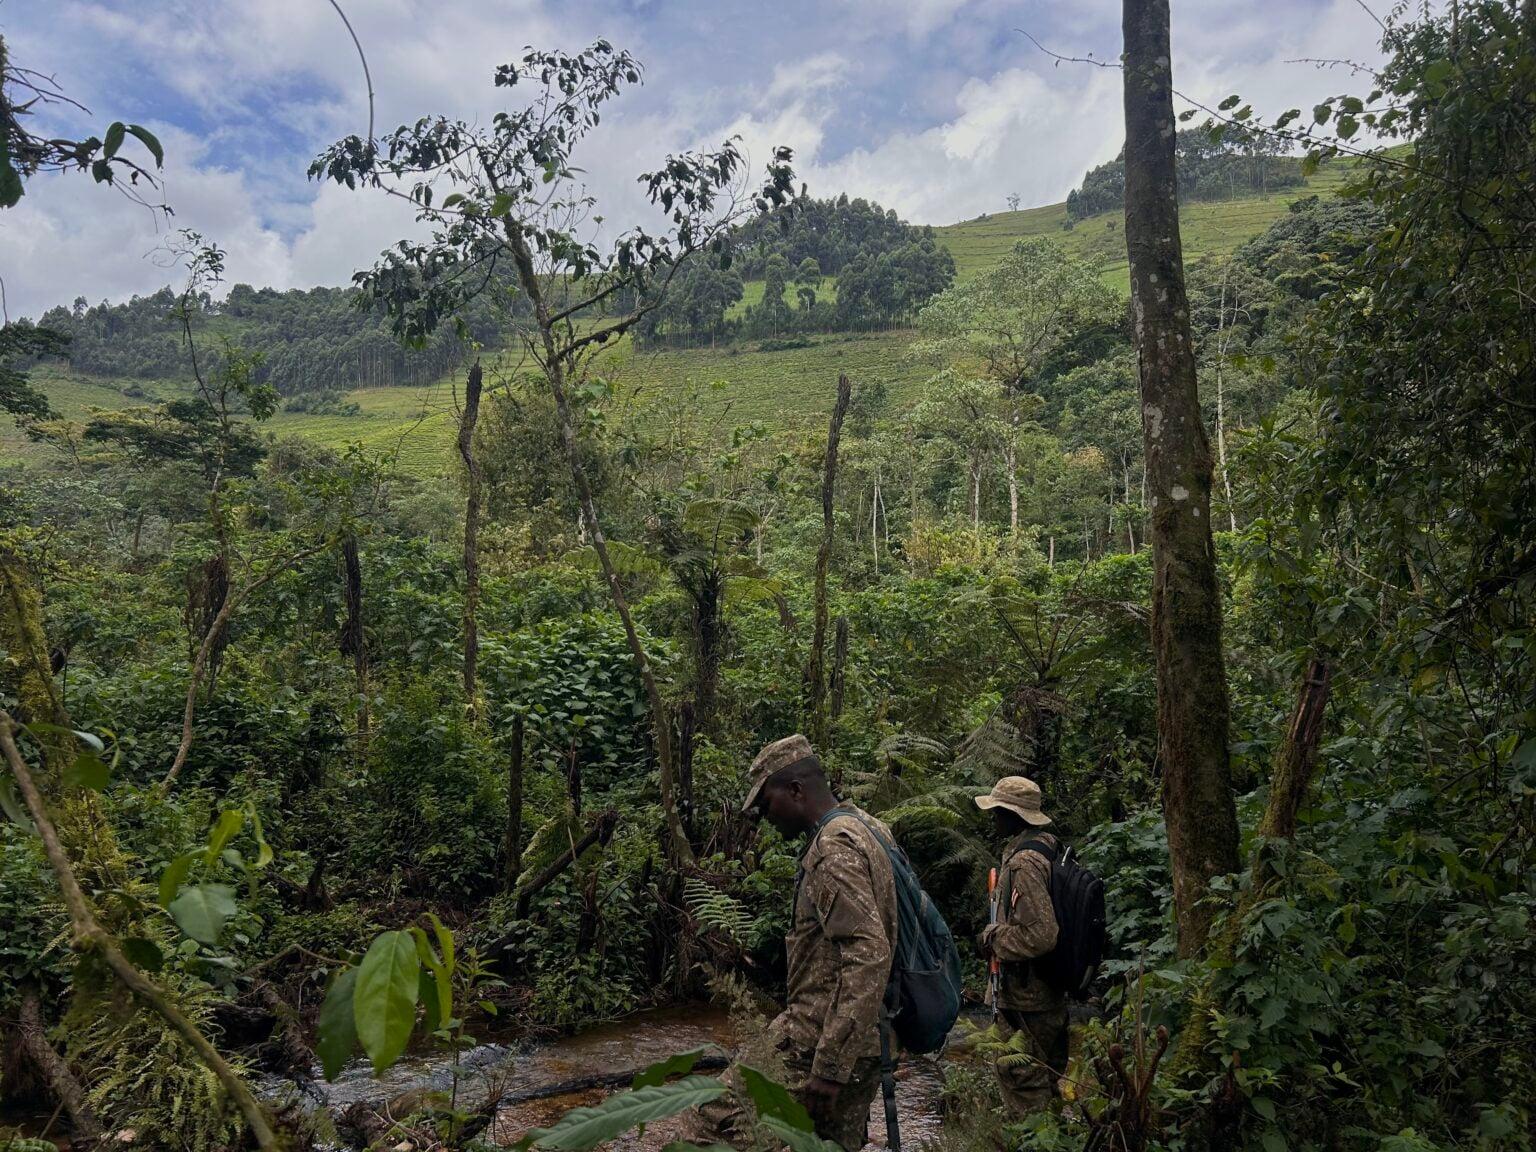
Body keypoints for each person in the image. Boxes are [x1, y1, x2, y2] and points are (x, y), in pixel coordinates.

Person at [704, 734, 899, 1152]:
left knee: (714, 1114)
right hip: (866, 1036)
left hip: (818, 1037)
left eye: (766, 803)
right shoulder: (868, 827)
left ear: (796, 789)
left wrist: (830, 1066)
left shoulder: (833, 850)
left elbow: (869, 955)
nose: (763, 816)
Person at [975, 775, 1068, 1115]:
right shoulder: (1049, 847)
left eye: (998, 811)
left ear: (1014, 816)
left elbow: (1042, 934)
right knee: (1045, 1077)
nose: (993, 818)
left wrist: (992, 938)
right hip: (1046, 988)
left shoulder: (1024, 863)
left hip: (1028, 995)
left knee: (1021, 1077)